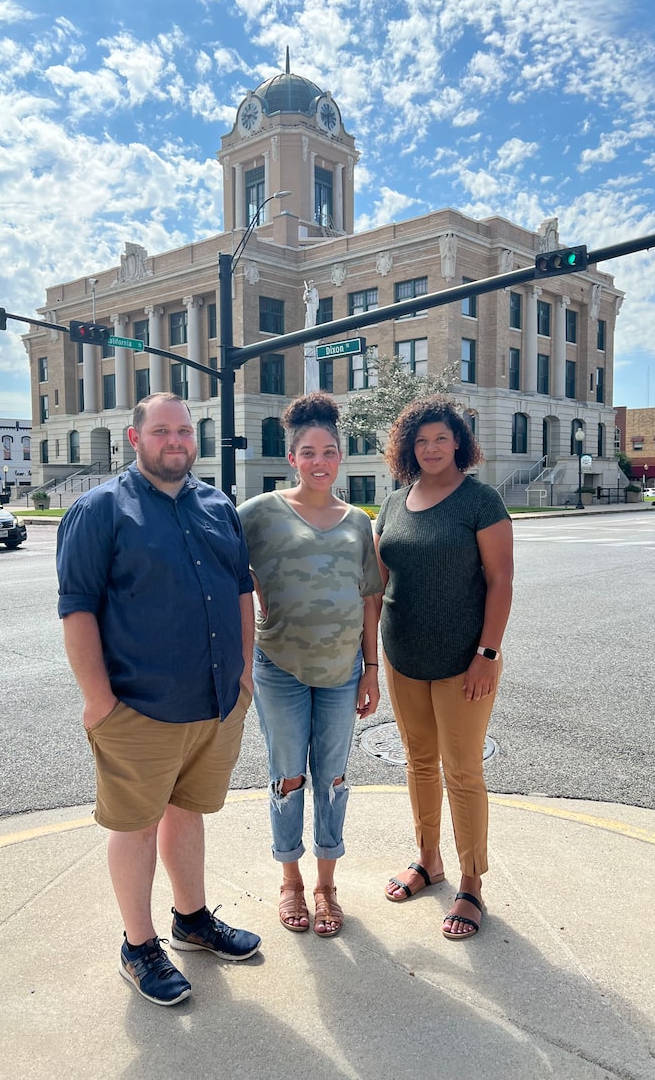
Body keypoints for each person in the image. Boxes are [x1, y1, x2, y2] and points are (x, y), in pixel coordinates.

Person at [56, 392, 260, 1007]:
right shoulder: (99, 510)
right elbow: (77, 608)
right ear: (134, 437)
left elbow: (240, 589)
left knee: (188, 810)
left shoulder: (216, 504)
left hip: (216, 702)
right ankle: (138, 946)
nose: (176, 441)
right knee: (137, 824)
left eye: (185, 432)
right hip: (138, 706)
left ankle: (191, 920)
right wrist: (98, 700)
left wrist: (245, 673)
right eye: (163, 431)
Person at [238, 392, 383, 938]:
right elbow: (228, 571)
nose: (319, 461)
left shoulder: (357, 522)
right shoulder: (258, 514)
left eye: (329, 451)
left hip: (343, 671)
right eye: (307, 451)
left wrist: (372, 669)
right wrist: (258, 604)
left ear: (340, 457)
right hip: (280, 668)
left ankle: (326, 885)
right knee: (288, 777)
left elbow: (370, 598)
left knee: (335, 776)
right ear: (291, 457)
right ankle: (290, 882)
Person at [374, 395, 513, 940]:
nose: (431, 448)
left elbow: (501, 582)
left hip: (464, 661)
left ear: (459, 442)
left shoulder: (481, 501)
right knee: (419, 764)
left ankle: (471, 880)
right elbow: (377, 582)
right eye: (421, 440)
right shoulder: (392, 503)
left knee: (463, 770)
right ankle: (428, 859)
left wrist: (487, 655)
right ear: (409, 447)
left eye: (441, 438)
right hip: (403, 656)